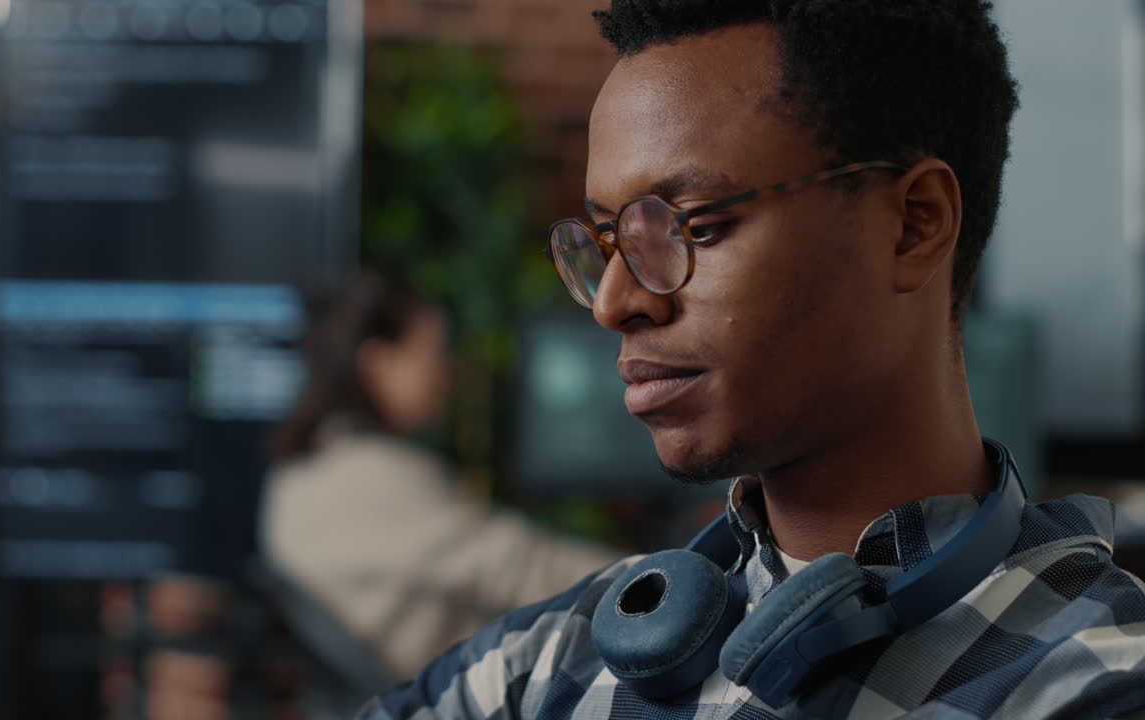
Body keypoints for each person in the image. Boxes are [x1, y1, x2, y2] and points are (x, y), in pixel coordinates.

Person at [359, 2, 1145, 718]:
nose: (614, 303)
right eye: (608, 242)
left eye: (692, 227)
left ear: (914, 224)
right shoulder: (547, 669)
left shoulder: (1094, 688)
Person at [260, 271, 619, 681]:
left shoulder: (303, 470)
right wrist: (655, 582)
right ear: (378, 362)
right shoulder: (370, 476)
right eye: (431, 353)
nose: (445, 372)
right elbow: (521, 567)